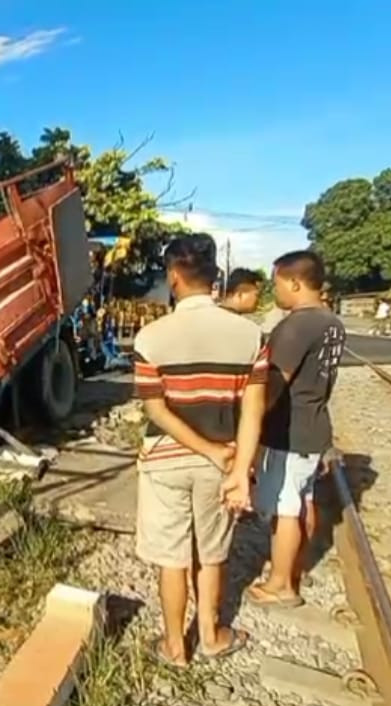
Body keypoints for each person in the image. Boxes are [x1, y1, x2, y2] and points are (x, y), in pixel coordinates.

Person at [132, 234, 266, 666]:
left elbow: (156, 407)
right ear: (215, 278)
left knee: (172, 557)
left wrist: (202, 448)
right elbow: (253, 411)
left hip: (164, 462)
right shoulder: (250, 335)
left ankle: (175, 647)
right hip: (223, 462)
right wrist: (236, 465)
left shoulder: (150, 337)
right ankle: (210, 635)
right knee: (212, 552)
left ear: (173, 277)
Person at [245, 250, 345, 608]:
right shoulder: (332, 322)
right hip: (314, 426)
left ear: (295, 282)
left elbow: (273, 385)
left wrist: (250, 429)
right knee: (303, 502)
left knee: (285, 509)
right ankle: (293, 567)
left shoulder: (297, 326)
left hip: (289, 431)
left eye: (277, 284)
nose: (275, 292)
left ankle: (280, 586)